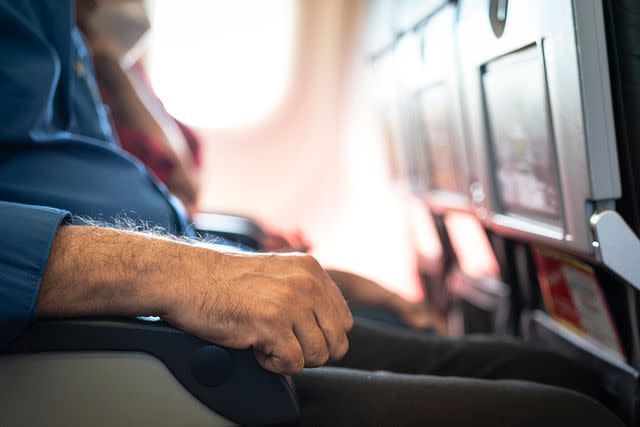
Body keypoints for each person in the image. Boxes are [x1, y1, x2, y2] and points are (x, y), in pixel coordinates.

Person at [0, 1, 623, 426]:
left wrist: (225, 255)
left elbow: (98, 190)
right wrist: (185, 273)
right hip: (91, 344)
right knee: (572, 416)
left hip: (145, 312)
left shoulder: (66, 26)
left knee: (547, 371)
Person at [75, 0, 434, 331]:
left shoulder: (125, 68)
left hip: (187, 245)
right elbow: (175, 179)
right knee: (419, 339)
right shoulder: (83, 79)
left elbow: (185, 176)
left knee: (388, 312)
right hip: (167, 277)